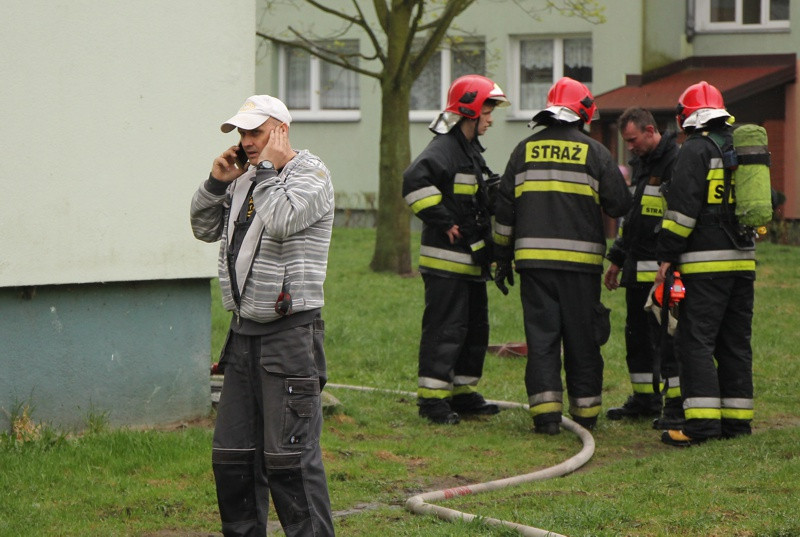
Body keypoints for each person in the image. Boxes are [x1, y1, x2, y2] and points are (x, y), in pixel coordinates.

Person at [190, 95, 335, 536]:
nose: (247, 142)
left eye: (256, 132)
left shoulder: (311, 174)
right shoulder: (245, 178)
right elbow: (203, 228)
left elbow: (281, 219)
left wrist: (268, 170)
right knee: (232, 458)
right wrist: (217, 183)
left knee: (290, 462)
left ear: (280, 131)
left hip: (289, 338)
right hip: (242, 338)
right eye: (242, 133)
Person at [493, 77, 631, 435]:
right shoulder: (595, 152)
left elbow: (504, 211)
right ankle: (586, 414)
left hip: (533, 266)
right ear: (583, 113)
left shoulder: (523, 150)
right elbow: (619, 204)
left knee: (542, 340)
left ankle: (546, 417)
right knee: (582, 339)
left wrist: (502, 256)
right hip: (580, 268)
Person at [402, 74, 509, 425]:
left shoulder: (469, 150)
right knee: (445, 330)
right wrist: (444, 220)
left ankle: (463, 393)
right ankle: (433, 401)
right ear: (471, 112)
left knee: (474, 330)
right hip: (446, 263)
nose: (490, 120)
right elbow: (413, 182)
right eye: (487, 113)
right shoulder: (444, 148)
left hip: (470, 261)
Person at [656, 81, 756, 447]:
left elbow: (681, 213)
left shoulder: (694, 150)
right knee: (734, 342)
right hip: (743, 261)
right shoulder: (741, 148)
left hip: (704, 265)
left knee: (694, 341)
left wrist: (666, 256)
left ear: (686, 118)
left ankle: (700, 425)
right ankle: (736, 423)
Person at [604, 108, 683, 429]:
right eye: (626, 141)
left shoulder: (675, 162)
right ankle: (644, 399)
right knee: (636, 337)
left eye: (633, 140)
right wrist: (617, 259)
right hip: (637, 270)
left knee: (667, 341)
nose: (630, 147)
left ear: (650, 131)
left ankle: (674, 405)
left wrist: (669, 260)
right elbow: (632, 220)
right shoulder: (640, 165)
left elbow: (679, 217)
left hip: (663, 272)